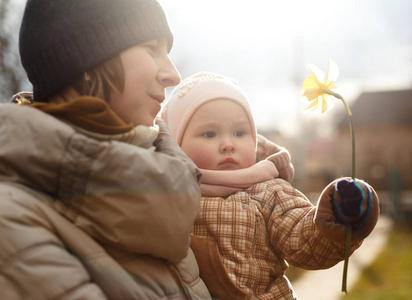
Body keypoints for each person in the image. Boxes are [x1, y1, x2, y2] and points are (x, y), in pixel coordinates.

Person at [0, 0, 212, 299]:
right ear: (86, 62)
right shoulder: (11, 223)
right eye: (151, 49)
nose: (173, 75)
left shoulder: (161, 187)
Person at [162, 72, 380, 300]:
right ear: (176, 144)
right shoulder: (165, 193)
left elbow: (301, 238)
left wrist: (336, 216)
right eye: (209, 134)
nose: (228, 144)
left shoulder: (268, 190)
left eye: (239, 133)